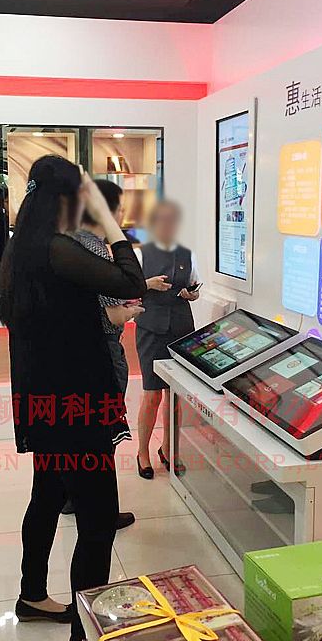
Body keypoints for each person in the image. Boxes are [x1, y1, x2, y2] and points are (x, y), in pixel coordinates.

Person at [0, 155, 146, 641]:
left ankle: (32, 595)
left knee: (45, 497)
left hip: (45, 405)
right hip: (75, 410)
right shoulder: (59, 249)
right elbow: (132, 279)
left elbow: (60, 319)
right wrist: (111, 224)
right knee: (98, 522)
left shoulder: (20, 249)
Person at [60, 178, 144, 526]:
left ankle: (72, 497)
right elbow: (110, 312)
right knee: (104, 433)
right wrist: (131, 311)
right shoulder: (95, 248)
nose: (122, 214)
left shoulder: (70, 242)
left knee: (80, 431)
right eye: (119, 208)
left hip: (76, 352)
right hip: (104, 349)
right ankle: (100, 509)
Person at [135, 200, 200, 478]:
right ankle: (142, 453)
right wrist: (147, 284)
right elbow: (127, 288)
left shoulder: (188, 253)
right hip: (151, 329)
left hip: (181, 329)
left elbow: (195, 287)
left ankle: (169, 450)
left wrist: (192, 294)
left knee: (174, 396)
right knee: (152, 394)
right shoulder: (141, 254)